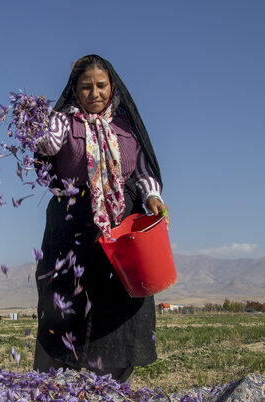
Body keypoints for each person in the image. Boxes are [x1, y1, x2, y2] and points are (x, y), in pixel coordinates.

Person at [32, 54, 170, 382]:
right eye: (86, 86)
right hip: (73, 234)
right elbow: (45, 144)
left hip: (120, 234)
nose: (94, 92)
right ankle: (57, 386)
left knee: (120, 308)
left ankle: (114, 386)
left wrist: (152, 196)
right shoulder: (65, 122)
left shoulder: (125, 127)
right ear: (75, 91)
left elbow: (141, 171)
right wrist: (35, 122)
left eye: (101, 85)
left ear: (112, 87)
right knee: (68, 307)